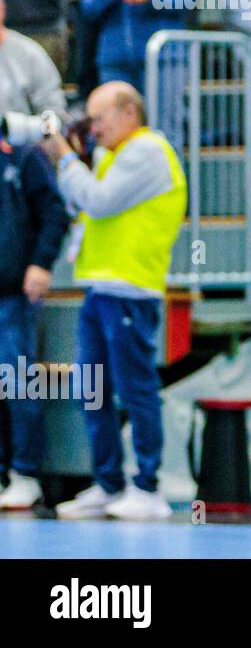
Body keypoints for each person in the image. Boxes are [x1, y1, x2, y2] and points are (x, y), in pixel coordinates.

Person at [46, 81, 186, 521]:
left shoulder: (147, 151)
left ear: (129, 113)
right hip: (100, 288)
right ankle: (109, 483)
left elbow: (99, 201)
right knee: (92, 389)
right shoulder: (111, 156)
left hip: (131, 290)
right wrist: (73, 165)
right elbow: (84, 208)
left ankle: (148, 486)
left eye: (99, 117)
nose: (93, 127)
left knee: (135, 388)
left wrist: (67, 160)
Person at [0, 116, 67, 510]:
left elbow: (55, 212)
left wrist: (41, 263)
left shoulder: (23, 157)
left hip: (11, 293)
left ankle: (25, 473)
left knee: (16, 384)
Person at [0, 0, 64, 116]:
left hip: (23, 135)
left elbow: (54, 112)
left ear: (2, 9)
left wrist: (32, 129)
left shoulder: (29, 54)